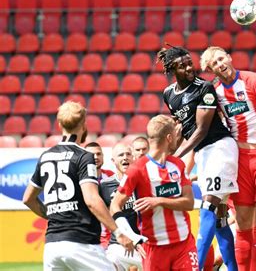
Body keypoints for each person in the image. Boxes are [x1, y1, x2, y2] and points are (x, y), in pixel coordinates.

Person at [22, 101, 136, 271]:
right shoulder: (83, 156)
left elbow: (28, 199)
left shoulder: (46, 157)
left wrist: (56, 217)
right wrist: (119, 232)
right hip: (81, 243)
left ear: (59, 125)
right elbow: (91, 199)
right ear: (84, 125)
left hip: (52, 246)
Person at [200, 46, 256, 271]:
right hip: (240, 159)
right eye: (213, 64)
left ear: (229, 57)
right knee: (243, 222)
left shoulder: (255, 81)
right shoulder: (215, 92)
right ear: (210, 70)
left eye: (220, 59)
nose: (219, 65)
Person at [157, 46, 238, 271]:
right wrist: (168, 149)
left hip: (220, 148)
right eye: (182, 65)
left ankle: (197, 268)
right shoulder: (169, 94)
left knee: (208, 207)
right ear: (172, 69)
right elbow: (184, 127)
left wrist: (174, 157)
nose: (189, 67)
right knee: (221, 218)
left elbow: (201, 130)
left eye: (189, 62)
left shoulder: (205, 88)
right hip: (203, 154)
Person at [110, 115, 198, 270]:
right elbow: (115, 206)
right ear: (170, 138)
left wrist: (159, 201)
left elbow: (189, 203)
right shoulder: (137, 170)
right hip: (154, 247)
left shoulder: (178, 165)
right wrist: (130, 235)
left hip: (184, 244)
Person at [100, 143, 142, 271]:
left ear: (133, 157)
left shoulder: (143, 181)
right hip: (119, 244)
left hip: (144, 243)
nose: (125, 157)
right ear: (113, 160)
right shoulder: (105, 186)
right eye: (120, 155)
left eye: (128, 154)